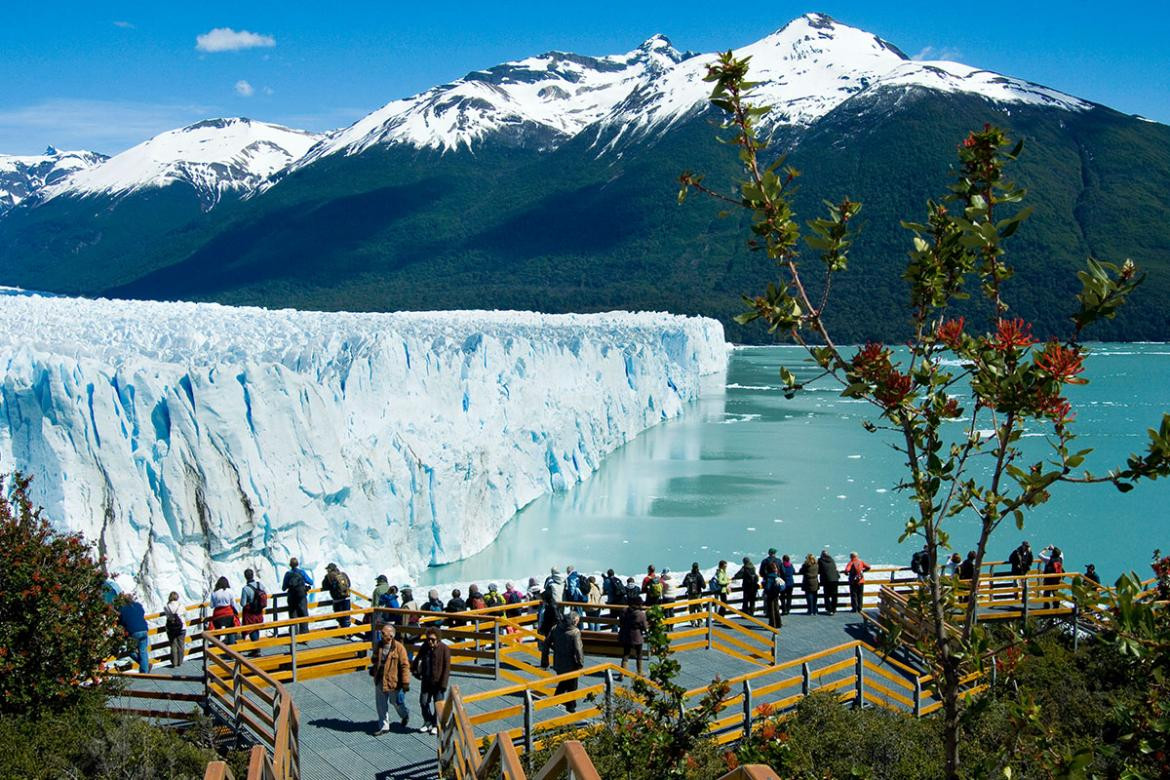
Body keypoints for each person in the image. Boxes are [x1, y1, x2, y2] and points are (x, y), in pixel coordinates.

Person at [370, 624, 410, 735]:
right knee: (381, 704)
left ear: (391, 635)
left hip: (393, 681)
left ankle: (404, 714)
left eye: (383, 633)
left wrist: (405, 681)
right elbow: (375, 658)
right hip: (380, 679)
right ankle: (384, 726)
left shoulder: (399, 648)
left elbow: (404, 665)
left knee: (395, 702)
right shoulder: (379, 645)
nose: (381, 635)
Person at [541, 613, 585, 712]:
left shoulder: (556, 628)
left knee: (564, 682)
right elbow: (578, 649)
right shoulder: (575, 632)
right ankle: (568, 706)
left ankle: (567, 704)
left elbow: (546, 643)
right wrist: (580, 663)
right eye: (577, 620)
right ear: (574, 621)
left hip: (558, 661)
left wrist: (545, 660)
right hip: (571, 663)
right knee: (572, 686)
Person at [411, 626, 451, 735]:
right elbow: (417, 659)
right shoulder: (424, 647)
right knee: (423, 702)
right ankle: (427, 721)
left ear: (438, 639)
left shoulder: (444, 649)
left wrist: (444, 684)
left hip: (438, 683)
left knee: (438, 705)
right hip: (426, 681)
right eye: (428, 639)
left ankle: (435, 724)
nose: (430, 641)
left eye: (432, 639)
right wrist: (415, 672)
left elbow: (447, 668)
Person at [118, 593, 151, 673]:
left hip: (133, 632)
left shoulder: (123, 609)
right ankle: (145, 669)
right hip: (144, 629)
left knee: (130, 651)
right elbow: (142, 613)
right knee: (143, 651)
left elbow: (122, 621)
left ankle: (145, 667)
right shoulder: (138, 605)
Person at [618, 596, 648, 678]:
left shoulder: (624, 611)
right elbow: (645, 627)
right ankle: (639, 672)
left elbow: (620, 622)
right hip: (637, 636)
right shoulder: (641, 614)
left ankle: (623, 673)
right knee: (639, 654)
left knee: (626, 654)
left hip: (626, 634)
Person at [282, 557, 314, 634]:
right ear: (297, 564)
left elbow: (284, 588)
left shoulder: (288, 574)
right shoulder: (301, 572)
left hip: (291, 598)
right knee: (303, 615)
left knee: (293, 617)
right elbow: (311, 582)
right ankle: (304, 635)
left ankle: (294, 635)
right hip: (301, 597)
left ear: (290, 565)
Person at [240, 568, 267, 645]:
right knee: (256, 628)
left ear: (245, 577)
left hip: (250, 613)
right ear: (253, 575)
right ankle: (256, 648)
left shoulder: (246, 589)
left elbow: (243, 603)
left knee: (252, 629)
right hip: (259, 611)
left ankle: (256, 649)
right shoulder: (260, 585)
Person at [209, 576, 239, 644]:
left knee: (217, 632)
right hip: (228, 613)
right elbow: (233, 603)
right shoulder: (230, 591)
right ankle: (232, 647)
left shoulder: (214, 593)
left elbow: (211, 606)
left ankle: (216, 647)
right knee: (230, 630)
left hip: (217, 615)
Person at [322, 563, 352, 629]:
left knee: (339, 617)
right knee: (346, 617)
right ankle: (348, 632)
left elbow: (324, 586)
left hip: (337, 599)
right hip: (346, 598)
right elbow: (349, 584)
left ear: (330, 569)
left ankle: (343, 632)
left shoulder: (328, 576)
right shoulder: (343, 574)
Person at [760, 549, 782, 627]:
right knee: (776, 606)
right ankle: (778, 622)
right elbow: (782, 571)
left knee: (770, 607)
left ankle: (772, 623)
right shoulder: (778, 561)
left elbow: (761, 572)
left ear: (769, 553)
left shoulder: (765, 561)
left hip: (769, 588)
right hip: (776, 586)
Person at [163, 591, 185, 668]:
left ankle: (174, 662)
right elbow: (184, 612)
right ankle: (180, 661)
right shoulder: (181, 605)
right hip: (181, 627)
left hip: (171, 628)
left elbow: (167, 615)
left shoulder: (166, 606)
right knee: (181, 644)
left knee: (173, 644)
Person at [1041, 546, 1065, 610]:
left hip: (1048, 579)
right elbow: (1062, 553)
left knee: (1046, 593)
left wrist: (1045, 549)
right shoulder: (1060, 559)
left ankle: (1046, 606)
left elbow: (1039, 555)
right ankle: (1056, 606)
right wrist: (1053, 548)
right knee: (1055, 593)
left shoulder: (1048, 559)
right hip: (1056, 579)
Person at [819, 550, 842, 615]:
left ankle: (829, 609)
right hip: (835, 579)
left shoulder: (820, 560)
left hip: (827, 579)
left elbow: (819, 569)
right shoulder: (832, 560)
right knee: (834, 595)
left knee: (826, 595)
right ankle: (834, 609)